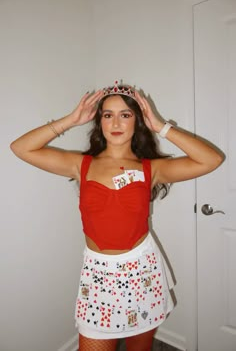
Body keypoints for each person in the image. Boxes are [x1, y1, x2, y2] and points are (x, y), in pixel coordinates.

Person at [10, 82, 223, 351]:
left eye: (125, 114)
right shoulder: (81, 164)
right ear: (99, 122)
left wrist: (161, 126)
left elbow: (211, 160)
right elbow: (21, 148)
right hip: (98, 274)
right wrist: (71, 120)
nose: (115, 122)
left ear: (138, 122)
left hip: (141, 271)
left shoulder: (151, 169)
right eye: (107, 115)